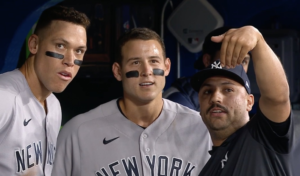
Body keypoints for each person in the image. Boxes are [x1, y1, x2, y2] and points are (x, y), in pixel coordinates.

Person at [51, 28, 211, 176]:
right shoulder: (78, 133)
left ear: (167, 66)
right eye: (136, 62)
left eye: (154, 61)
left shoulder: (202, 129)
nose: (147, 71)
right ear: (118, 71)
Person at [190, 26, 293, 175]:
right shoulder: (207, 171)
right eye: (207, 91)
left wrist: (257, 40)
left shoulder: (263, 136)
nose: (215, 97)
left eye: (228, 90)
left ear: (249, 102)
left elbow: (277, 98)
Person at [0, 5, 90, 176]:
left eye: (79, 51)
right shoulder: (4, 97)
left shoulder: (53, 105)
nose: (70, 61)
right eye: (61, 46)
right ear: (34, 44)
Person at [163, 27, 251, 111]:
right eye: (229, 58)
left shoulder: (244, 97)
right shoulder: (178, 99)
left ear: (250, 101)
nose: (237, 67)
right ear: (207, 60)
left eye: (243, 61)